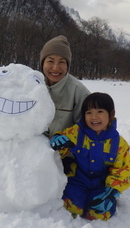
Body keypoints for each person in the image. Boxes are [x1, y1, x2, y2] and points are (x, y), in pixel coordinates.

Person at [50, 92, 130, 221]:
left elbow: (123, 169)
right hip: (78, 179)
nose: (94, 117)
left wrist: (112, 191)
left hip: (102, 183)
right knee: (72, 208)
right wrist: (58, 140)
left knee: (99, 213)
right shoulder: (77, 132)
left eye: (99, 111)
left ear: (111, 114)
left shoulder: (119, 144)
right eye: (89, 113)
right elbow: (62, 140)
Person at [40, 35, 90, 137]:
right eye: (50, 61)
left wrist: (67, 137)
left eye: (62, 62)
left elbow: (88, 127)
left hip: (66, 151)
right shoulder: (32, 86)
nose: (55, 68)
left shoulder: (79, 92)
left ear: (67, 66)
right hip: (35, 149)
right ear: (42, 63)